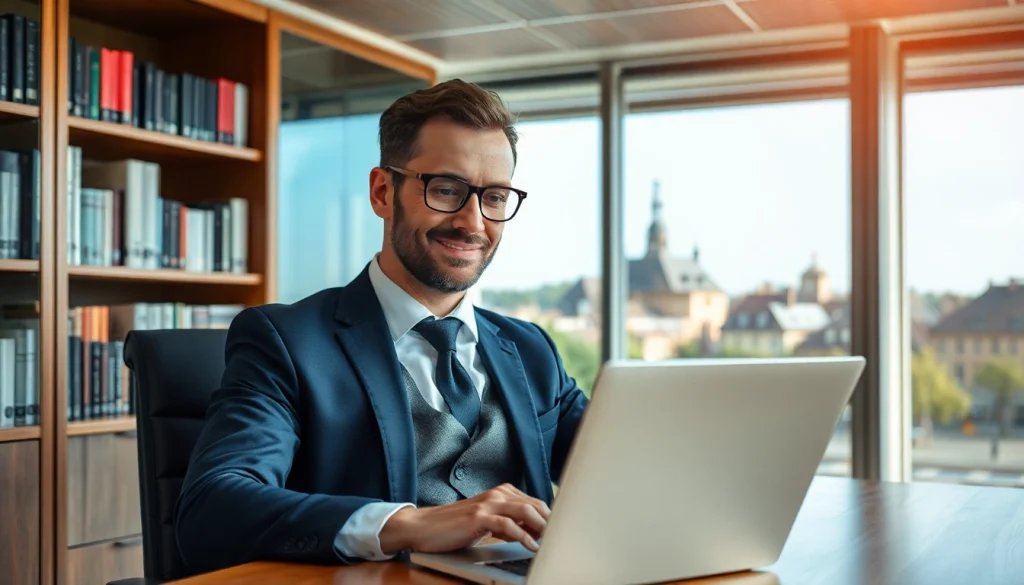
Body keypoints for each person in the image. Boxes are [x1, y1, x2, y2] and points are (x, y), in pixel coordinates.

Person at [173, 79, 590, 574]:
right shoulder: (285, 341)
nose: (473, 222)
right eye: (446, 190)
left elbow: (627, 467)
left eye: (494, 197)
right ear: (381, 192)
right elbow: (212, 509)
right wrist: (407, 525)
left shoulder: (531, 349)